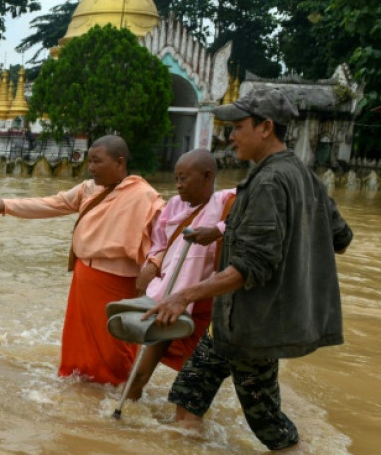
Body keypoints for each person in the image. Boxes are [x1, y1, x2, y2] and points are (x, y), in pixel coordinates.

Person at [146, 88, 353, 451]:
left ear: (266, 127)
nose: (230, 136)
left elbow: (251, 266)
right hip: (234, 321)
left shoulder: (269, 182)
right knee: (188, 397)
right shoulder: (305, 176)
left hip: (252, 327)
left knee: (270, 427)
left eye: (238, 127)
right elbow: (340, 238)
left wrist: (183, 295)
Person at [0, 135, 164, 385]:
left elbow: (165, 238)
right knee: (79, 341)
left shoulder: (146, 197)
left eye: (97, 161)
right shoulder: (88, 189)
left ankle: (117, 391)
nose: (91, 167)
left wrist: (153, 266)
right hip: (85, 275)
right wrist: (6, 205)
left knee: (116, 346)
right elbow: (52, 204)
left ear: (120, 162)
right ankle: (82, 390)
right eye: (89, 161)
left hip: (121, 282)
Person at [123, 149, 236, 400]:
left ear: (207, 177)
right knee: (139, 374)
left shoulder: (229, 201)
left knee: (195, 379)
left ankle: (184, 429)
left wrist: (216, 230)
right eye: (176, 178)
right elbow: (160, 244)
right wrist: (151, 266)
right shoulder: (174, 205)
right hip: (172, 296)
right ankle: (124, 420)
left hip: (207, 302)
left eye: (184, 178)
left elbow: (249, 222)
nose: (178, 185)